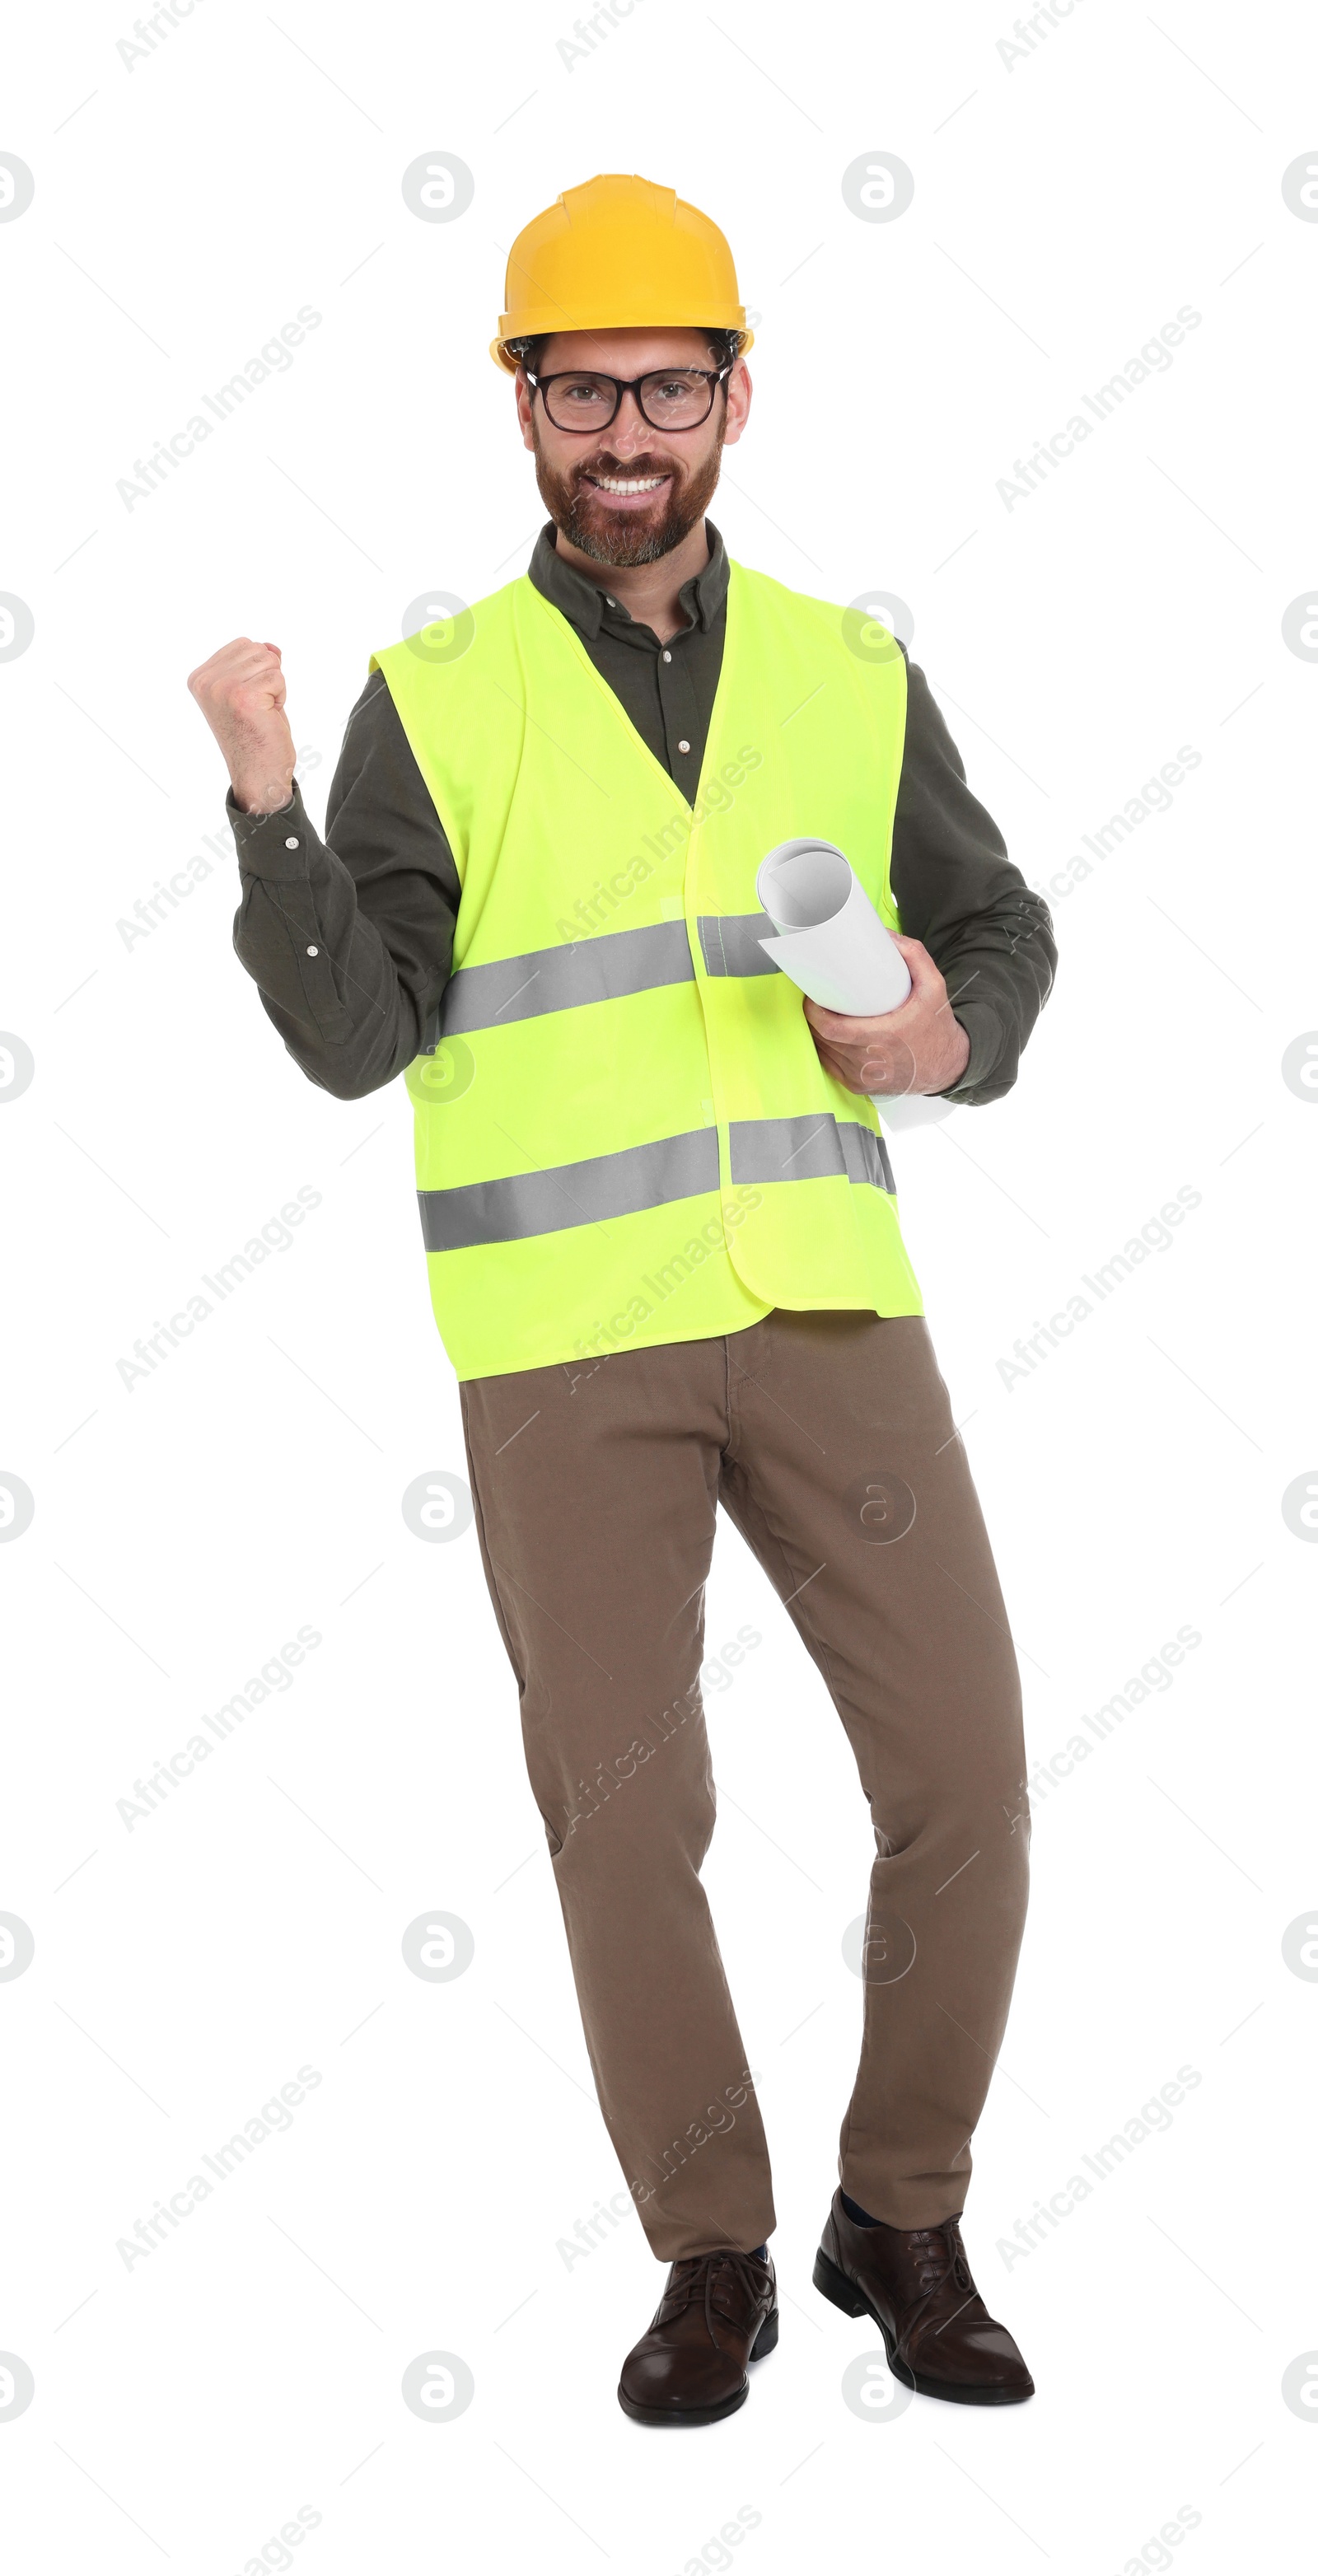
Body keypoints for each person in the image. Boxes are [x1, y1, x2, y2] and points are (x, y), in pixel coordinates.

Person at [188, 172, 1057, 2428]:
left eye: (668, 386)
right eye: (584, 392)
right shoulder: (441, 692)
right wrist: (271, 809)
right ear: (528, 414)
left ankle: (907, 2212)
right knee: (623, 1819)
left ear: (736, 400)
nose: (627, 431)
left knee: (964, 1776)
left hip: (830, 1311)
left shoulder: (852, 670)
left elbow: (1000, 926)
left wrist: (947, 1032)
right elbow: (358, 1036)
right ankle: (714, 2254)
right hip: (568, 1348)